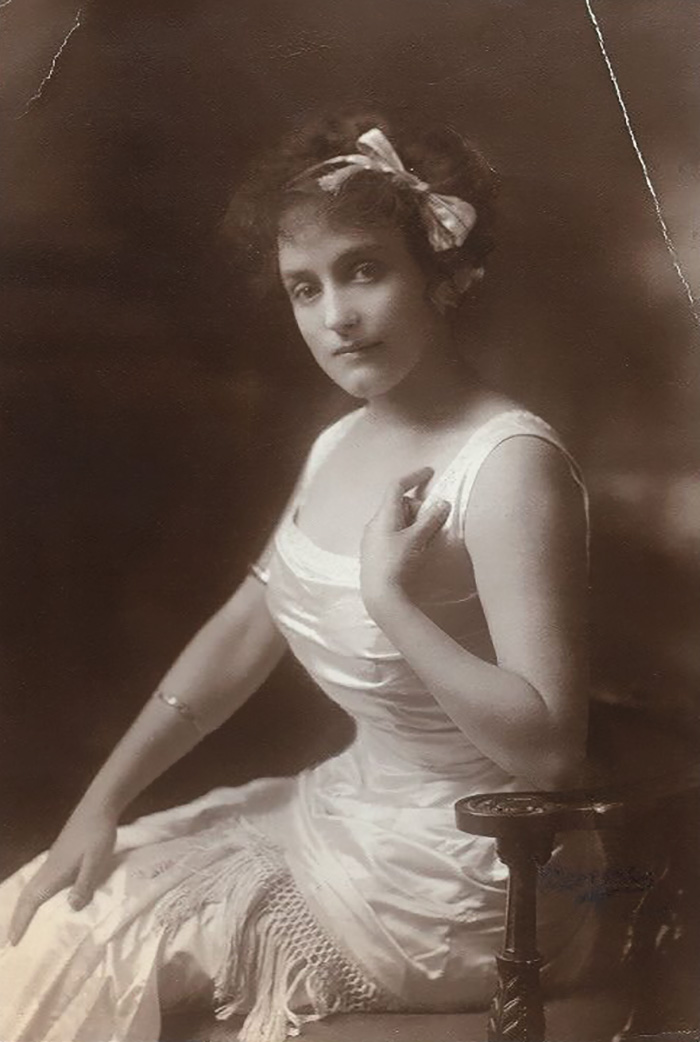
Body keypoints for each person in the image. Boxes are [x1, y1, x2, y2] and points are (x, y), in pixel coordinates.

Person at [0, 110, 603, 1042]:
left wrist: (390, 601)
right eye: (304, 288)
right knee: (31, 909)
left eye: (365, 270)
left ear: (442, 273)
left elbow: (552, 755)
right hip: (348, 810)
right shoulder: (338, 442)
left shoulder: (509, 464)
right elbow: (249, 624)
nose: (336, 316)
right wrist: (99, 806)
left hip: (474, 872)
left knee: (83, 951)